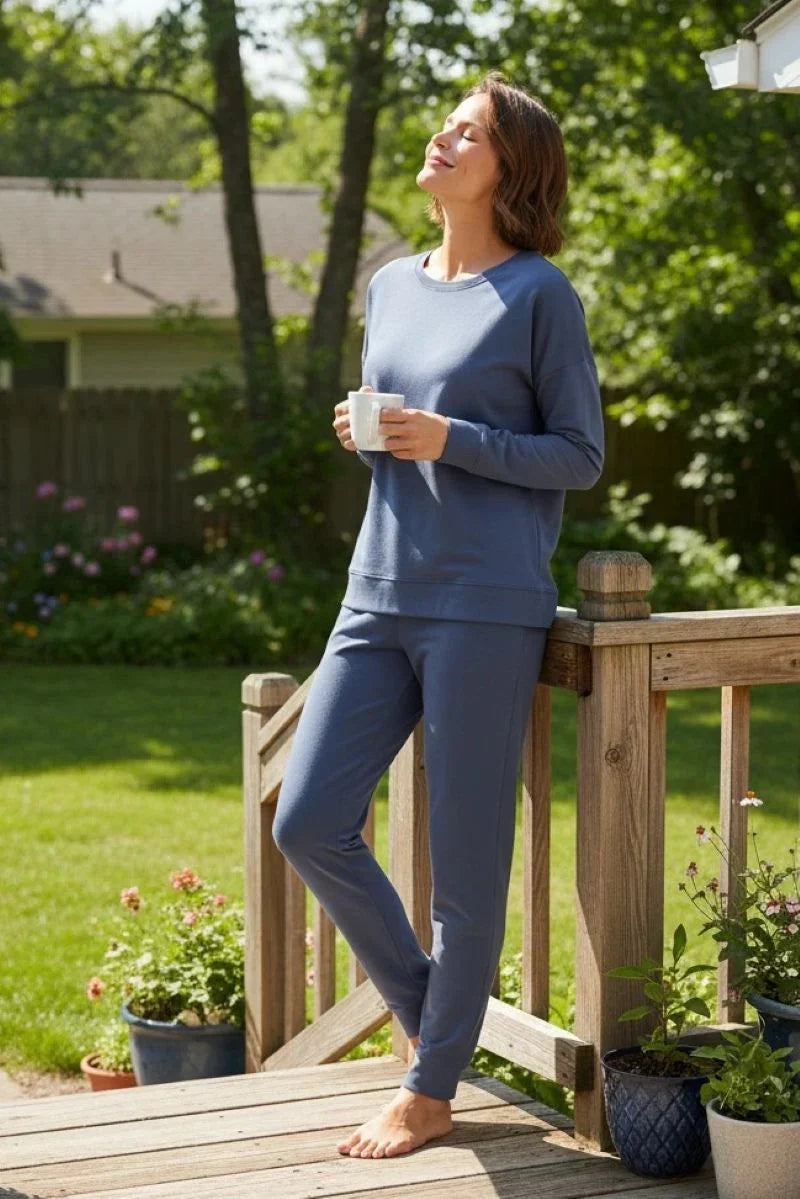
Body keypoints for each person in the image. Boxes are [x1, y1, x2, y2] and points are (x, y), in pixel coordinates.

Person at [272, 69, 605, 1159]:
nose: (442, 137)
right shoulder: (387, 285)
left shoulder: (540, 294)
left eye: (468, 131)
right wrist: (371, 431)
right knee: (306, 816)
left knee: (466, 865)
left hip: (484, 605)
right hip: (377, 591)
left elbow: (578, 453)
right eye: (446, 124)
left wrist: (447, 437)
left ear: (511, 171)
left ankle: (426, 1087)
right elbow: (403, 427)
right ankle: (438, 1033)